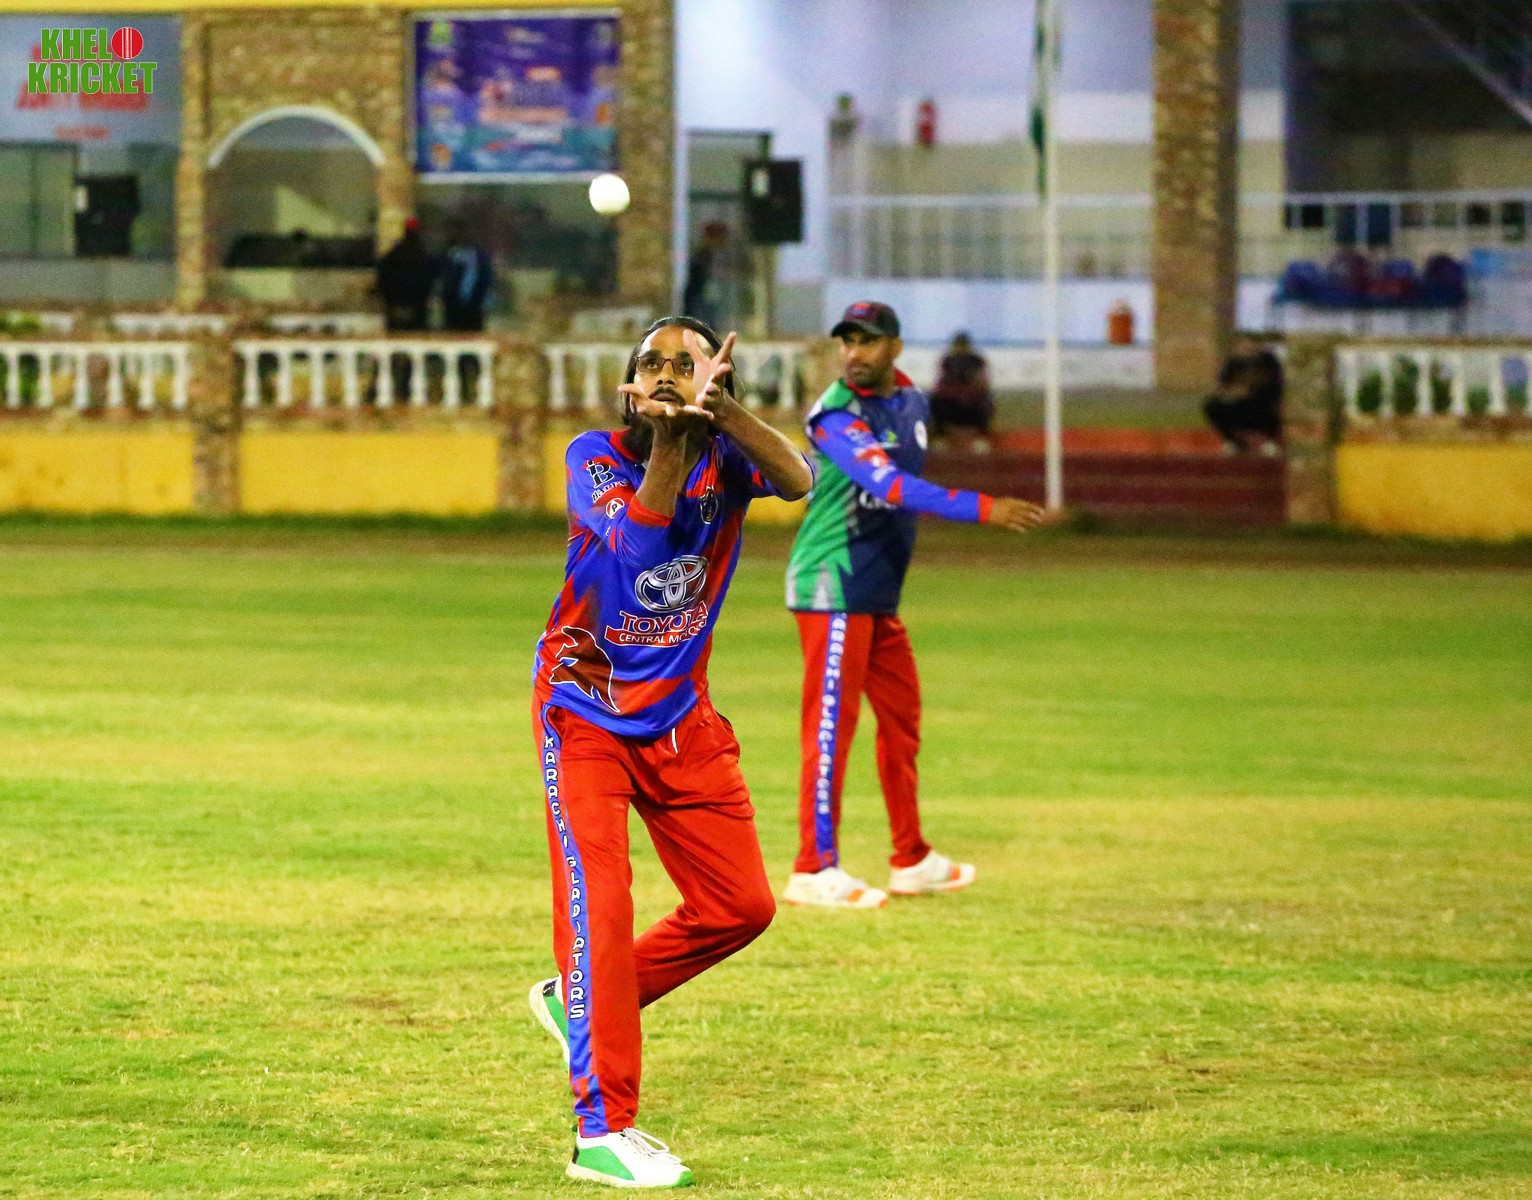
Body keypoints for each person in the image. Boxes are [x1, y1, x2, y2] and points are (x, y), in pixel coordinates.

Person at [528, 317, 815, 1188]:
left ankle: (580, 997)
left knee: (742, 906)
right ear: (628, 383)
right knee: (602, 912)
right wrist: (670, 441)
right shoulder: (596, 457)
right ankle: (601, 1134)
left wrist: (723, 417)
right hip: (585, 712)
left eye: (683, 364)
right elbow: (638, 547)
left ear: (713, 379)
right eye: (650, 362)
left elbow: (798, 478)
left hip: (681, 716)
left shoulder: (729, 456)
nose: (663, 373)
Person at [783, 301, 1047, 909]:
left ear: (895, 348)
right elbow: (889, 485)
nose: (854, 353)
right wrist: (985, 508)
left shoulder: (911, 403)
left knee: (902, 724)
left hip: (877, 593)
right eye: (847, 341)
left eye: (868, 341)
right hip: (832, 587)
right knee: (831, 731)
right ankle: (812, 867)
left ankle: (911, 859)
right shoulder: (834, 416)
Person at [1203, 334, 1284, 456]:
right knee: (1212, 406)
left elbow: (1275, 386)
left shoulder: (1269, 362)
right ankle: (1233, 442)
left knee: (1260, 407)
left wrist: (1249, 392)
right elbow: (1223, 386)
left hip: (1261, 401)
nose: (1248, 347)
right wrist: (1231, 393)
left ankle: (1266, 441)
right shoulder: (1233, 362)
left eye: (1251, 344)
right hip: (1236, 402)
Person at [928, 331, 995, 440]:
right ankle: (940, 432)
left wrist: (970, 392)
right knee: (934, 400)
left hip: (972, 402)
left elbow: (983, 383)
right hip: (951, 401)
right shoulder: (947, 361)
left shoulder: (977, 361)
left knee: (987, 401)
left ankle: (982, 432)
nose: (961, 348)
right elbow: (940, 385)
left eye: (963, 345)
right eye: (958, 345)